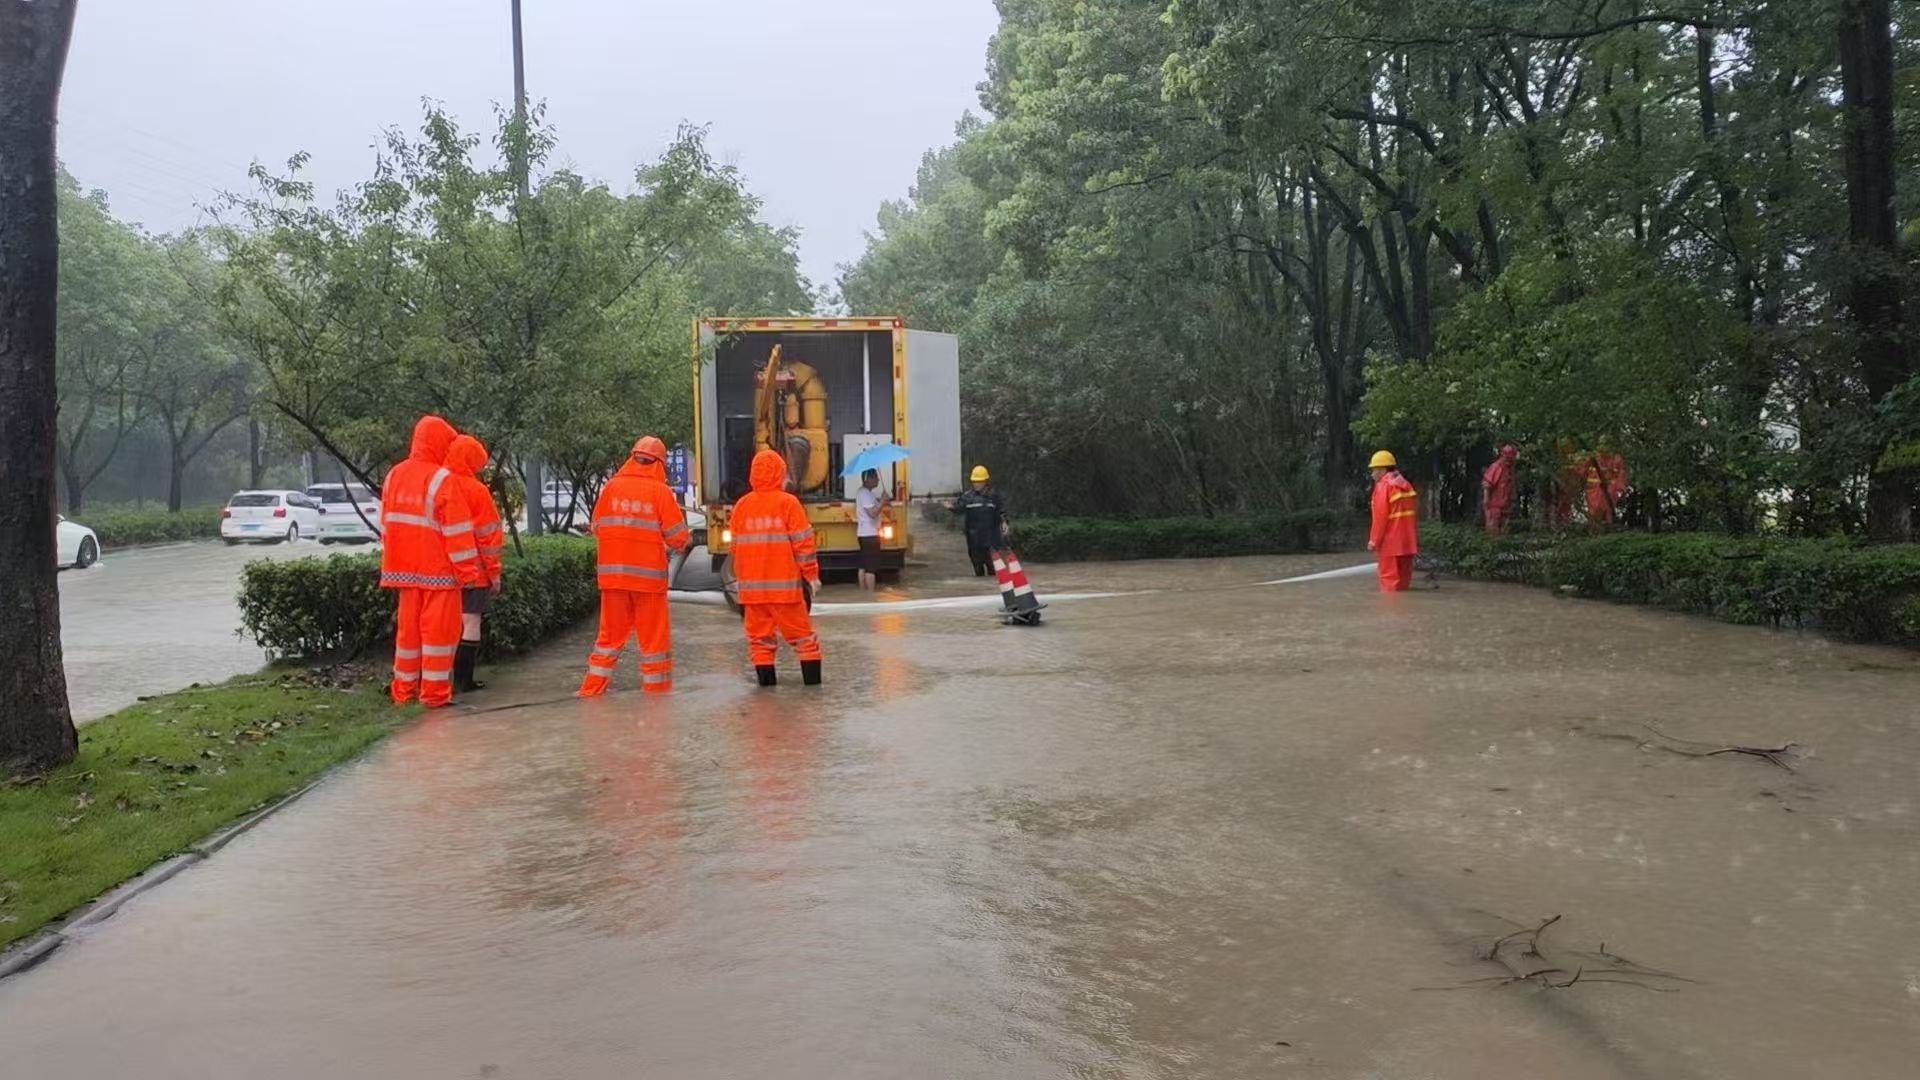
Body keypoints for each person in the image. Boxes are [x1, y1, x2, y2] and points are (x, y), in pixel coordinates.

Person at [380, 415, 485, 707]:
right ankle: (435, 694)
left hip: (403, 571)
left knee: (408, 635)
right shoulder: (441, 479)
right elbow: (457, 532)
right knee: (439, 635)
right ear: (439, 443)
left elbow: (386, 524)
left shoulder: (394, 475)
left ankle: (403, 690)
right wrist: (467, 573)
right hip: (439, 573)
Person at [578, 435, 690, 697]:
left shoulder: (611, 487)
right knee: (653, 643)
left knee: (608, 639)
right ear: (659, 463)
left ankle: (591, 691)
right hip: (648, 584)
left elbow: (597, 527)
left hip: (613, 580)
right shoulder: (661, 492)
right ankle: (657, 697)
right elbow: (679, 539)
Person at [733, 448, 822, 687]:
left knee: (760, 643)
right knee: (804, 640)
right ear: (779, 473)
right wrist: (811, 576)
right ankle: (813, 694)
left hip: (752, 593)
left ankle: (766, 696)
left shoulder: (741, 506)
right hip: (785, 591)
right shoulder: (788, 503)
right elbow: (803, 544)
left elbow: (736, 550)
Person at [445, 433, 505, 692]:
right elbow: (488, 536)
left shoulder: (438, 484)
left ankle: (437, 679)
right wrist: (494, 573)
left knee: (444, 625)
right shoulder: (477, 491)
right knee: (470, 622)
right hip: (475, 571)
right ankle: (464, 680)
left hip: (441, 571)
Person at [1367, 449, 1419, 593]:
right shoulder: (1405, 485)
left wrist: (1374, 541)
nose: (1372, 474)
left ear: (1383, 470)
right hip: (1407, 542)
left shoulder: (1384, 486)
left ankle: (1390, 607)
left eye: (1374, 470)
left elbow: (1380, 518)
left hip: (1390, 543)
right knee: (1403, 582)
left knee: (1388, 582)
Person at [949, 465, 1007, 577]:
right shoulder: (967, 497)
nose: (977, 484)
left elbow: (1001, 510)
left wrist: (1004, 522)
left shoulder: (993, 496)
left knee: (992, 566)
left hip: (991, 537)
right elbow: (959, 508)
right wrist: (951, 507)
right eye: (975, 481)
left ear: (985, 481)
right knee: (977, 564)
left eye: (979, 481)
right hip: (974, 537)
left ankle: (991, 581)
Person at [854, 467, 887, 593]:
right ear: (868, 479)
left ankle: (863, 593)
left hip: (864, 533)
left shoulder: (863, 492)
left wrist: (881, 502)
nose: (878, 480)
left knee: (863, 565)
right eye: (875, 477)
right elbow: (872, 513)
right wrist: (882, 502)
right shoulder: (865, 494)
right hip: (870, 534)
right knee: (870, 568)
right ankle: (870, 595)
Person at [1584, 446, 1629, 530]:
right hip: (1593, 492)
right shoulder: (1592, 458)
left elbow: (1621, 478)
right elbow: (1581, 473)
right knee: (1594, 514)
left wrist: (1618, 490)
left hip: (1609, 492)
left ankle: (1608, 528)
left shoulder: (1616, 459)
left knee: (1608, 512)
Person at [1481, 444, 1519, 537]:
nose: (1509, 461)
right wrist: (1486, 502)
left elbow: (1511, 486)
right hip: (1494, 506)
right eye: (1508, 458)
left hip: (1506, 506)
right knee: (1493, 529)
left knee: (1505, 529)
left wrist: (1513, 499)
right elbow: (1487, 484)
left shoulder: (1510, 469)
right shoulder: (1496, 467)